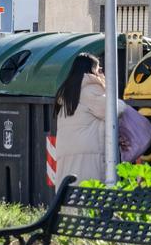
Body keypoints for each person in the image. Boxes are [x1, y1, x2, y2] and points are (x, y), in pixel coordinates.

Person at [53, 53, 125, 187]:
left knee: (72, 198)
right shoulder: (89, 90)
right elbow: (116, 109)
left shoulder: (68, 93)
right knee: (92, 197)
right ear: (92, 70)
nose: (101, 73)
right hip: (89, 157)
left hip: (68, 156)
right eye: (99, 69)